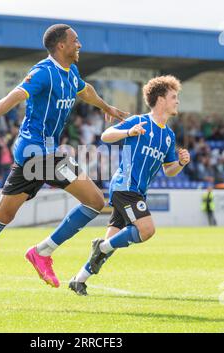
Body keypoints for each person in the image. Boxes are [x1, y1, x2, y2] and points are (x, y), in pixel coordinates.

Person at [0, 23, 128, 307]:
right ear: (61, 45)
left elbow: (85, 90)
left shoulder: (71, 73)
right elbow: (15, 95)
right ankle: (42, 252)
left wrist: (107, 108)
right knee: (94, 200)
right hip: (38, 155)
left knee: (3, 215)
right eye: (75, 40)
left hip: (41, 156)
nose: (80, 45)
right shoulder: (44, 72)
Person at [69, 75, 191, 296]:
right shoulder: (140, 121)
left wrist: (181, 163)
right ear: (161, 99)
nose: (177, 101)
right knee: (147, 230)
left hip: (137, 192)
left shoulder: (169, 136)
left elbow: (169, 169)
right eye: (174, 97)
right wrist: (128, 132)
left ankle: (79, 280)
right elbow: (106, 135)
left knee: (110, 244)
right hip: (125, 187)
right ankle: (101, 247)